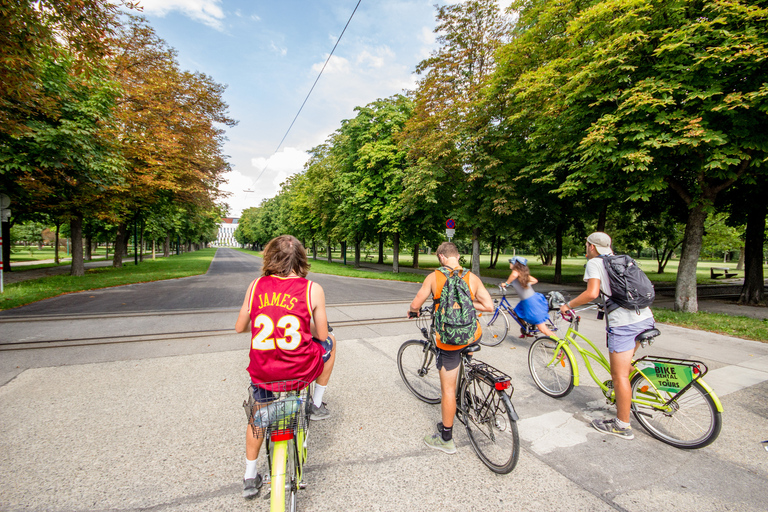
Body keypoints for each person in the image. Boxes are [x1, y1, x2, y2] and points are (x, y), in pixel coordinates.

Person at [235, 235, 337, 499]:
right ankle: (315, 403)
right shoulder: (312, 289)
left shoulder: (256, 286)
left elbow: (239, 327)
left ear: (269, 257)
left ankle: (249, 476)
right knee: (332, 343)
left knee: (258, 417)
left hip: (263, 372)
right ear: (301, 259)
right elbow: (323, 334)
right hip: (299, 372)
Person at [559, 232, 654, 440]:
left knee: (618, 375)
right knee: (625, 367)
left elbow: (592, 293)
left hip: (624, 324)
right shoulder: (623, 260)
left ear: (591, 247)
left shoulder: (595, 263)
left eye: (586, 246)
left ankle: (622, 425)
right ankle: (633, 388)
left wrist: (568, 305)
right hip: (645, 318)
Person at [408, 242, 493, 454]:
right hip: (471, 335)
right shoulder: (471, 278)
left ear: (442, 257)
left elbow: (416, 303)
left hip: (449, 340)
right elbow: (489, 306)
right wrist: (466, 304)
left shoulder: (434, 277)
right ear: (457, 256)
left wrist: (412, 311)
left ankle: (446, 439)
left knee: (447, 389)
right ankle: (469, 380)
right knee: (468, 348)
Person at [502, 256, 557, 339]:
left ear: (515, 264)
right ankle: (526, 330)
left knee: (542, 329)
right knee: (516, 312)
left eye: (511, 262)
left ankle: (561, 346)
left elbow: (514, 274)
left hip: (531, 302)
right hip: (525, 301)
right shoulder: (522, 275)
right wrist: (525, 284)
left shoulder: (516, 273)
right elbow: (535, 280)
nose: (509, 263)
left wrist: (506, 283)